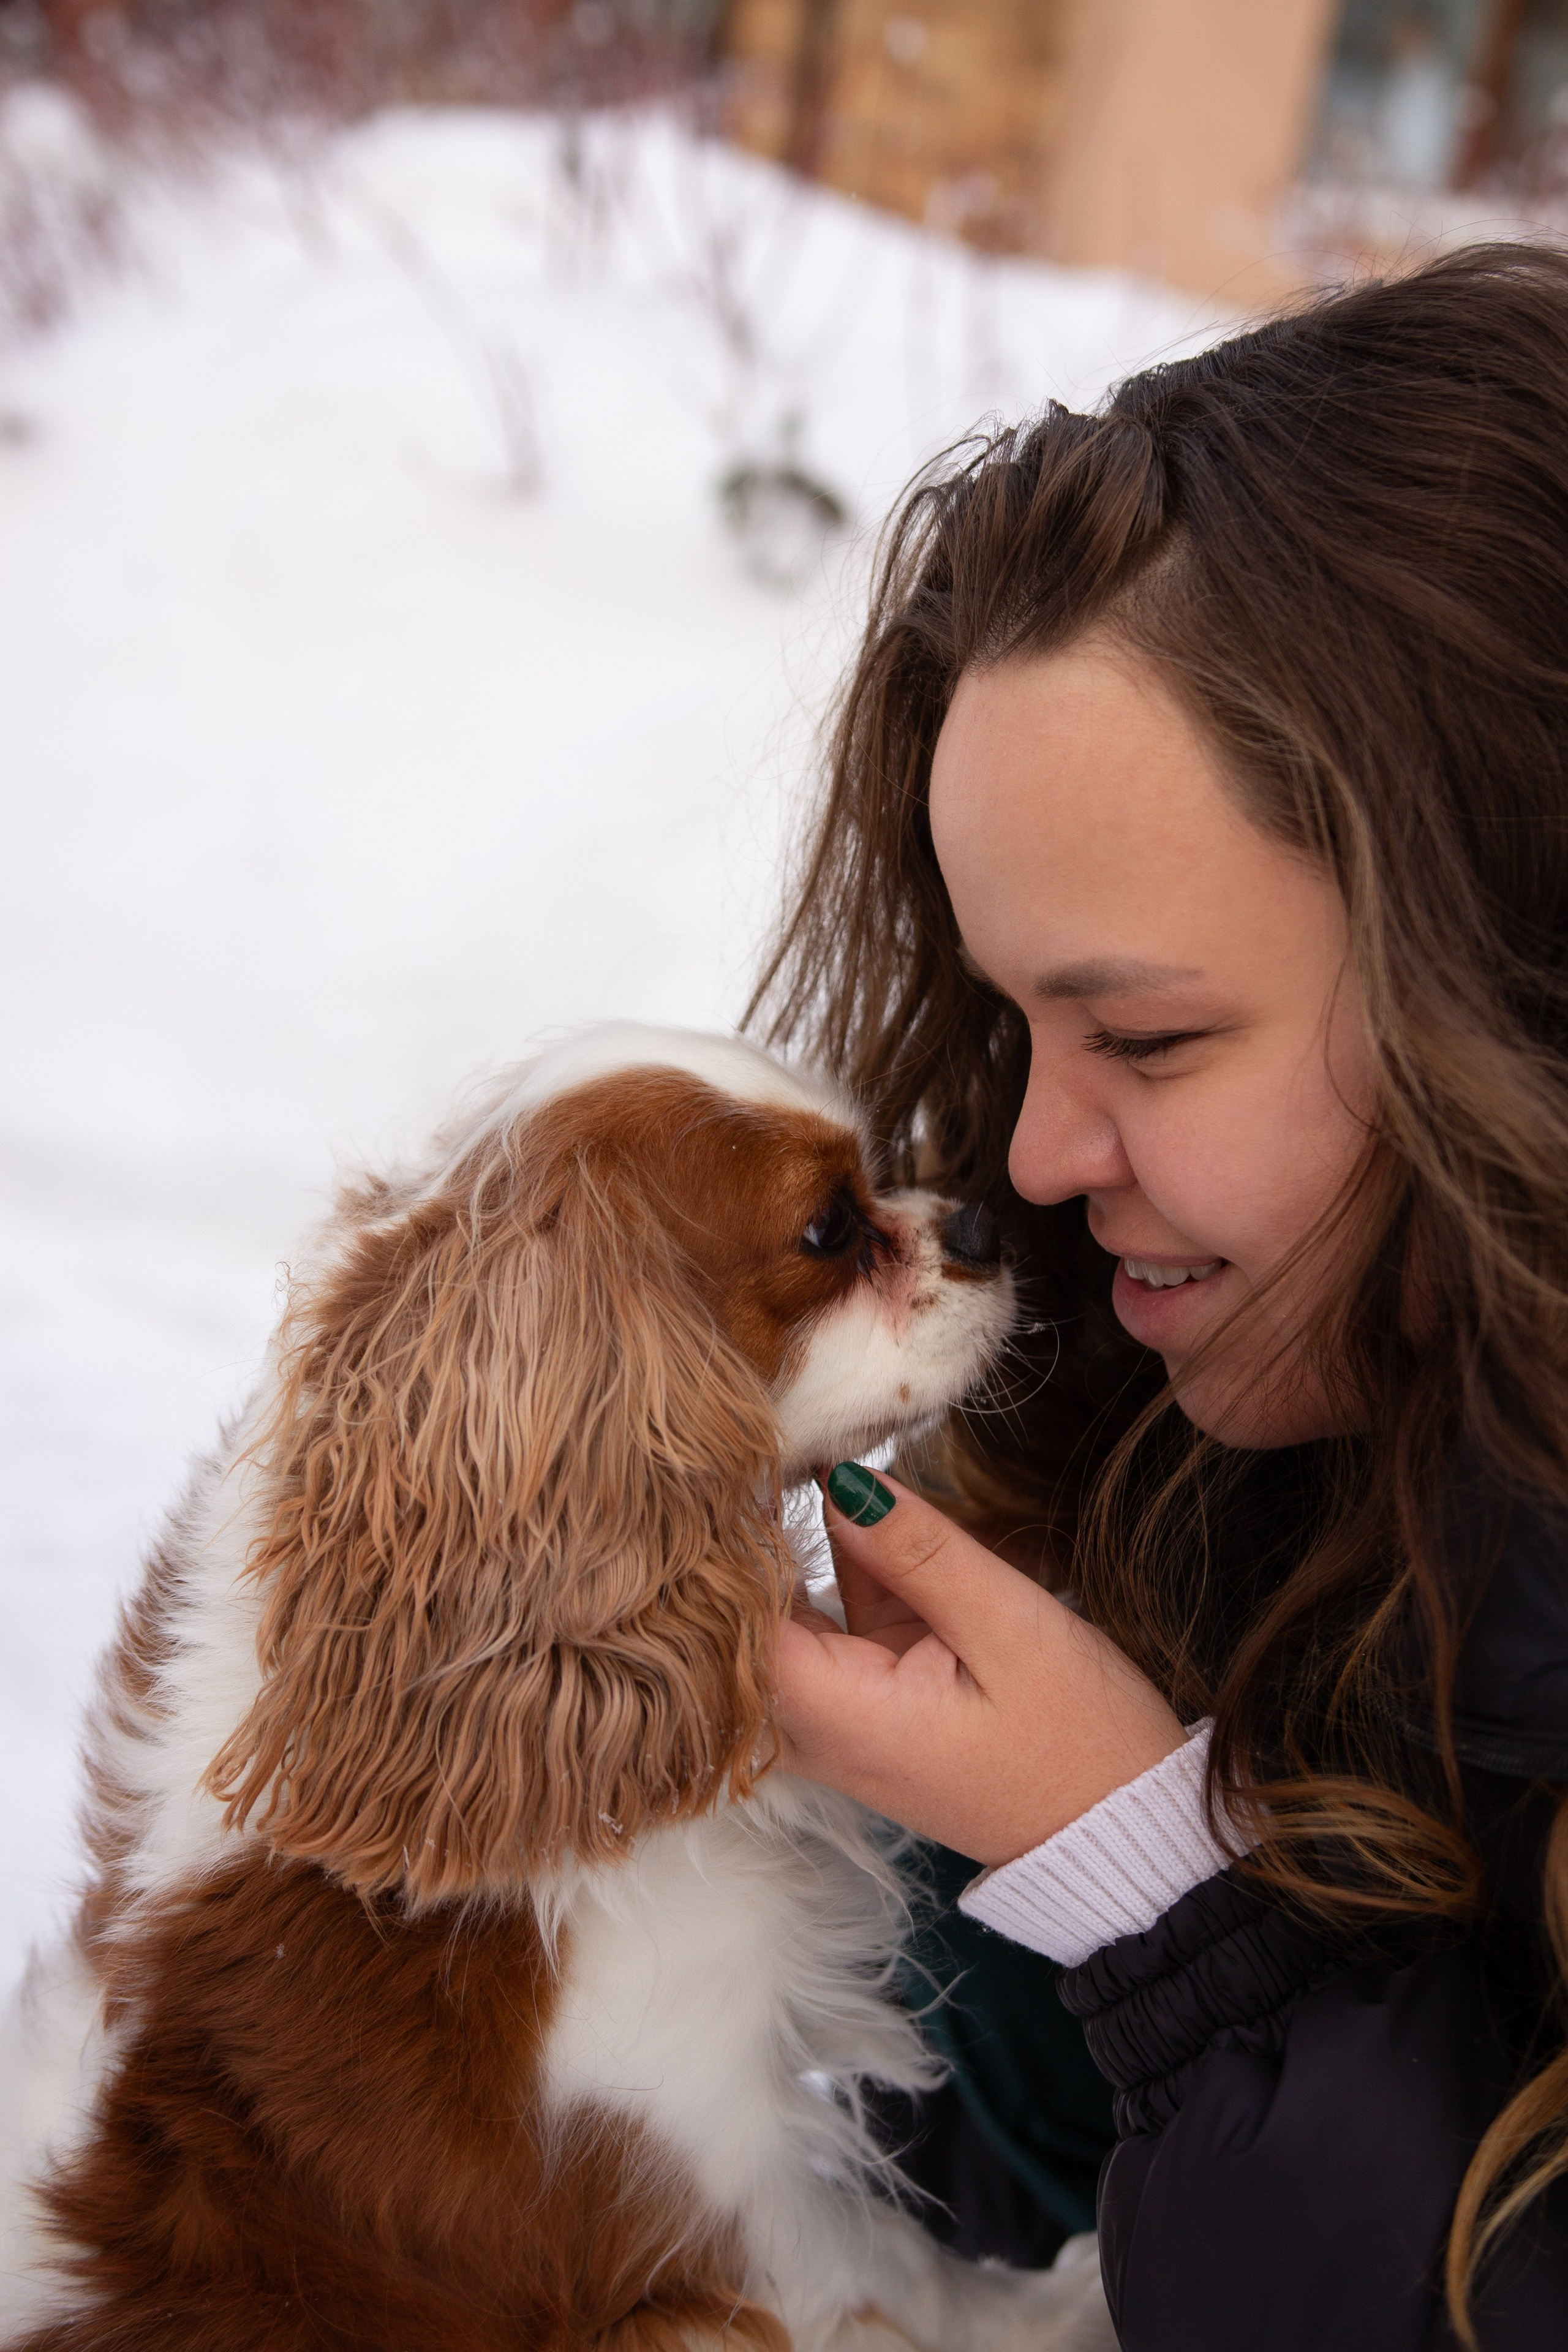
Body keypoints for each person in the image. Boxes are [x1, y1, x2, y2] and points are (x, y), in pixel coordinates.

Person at [755, 243, 1568, 2350]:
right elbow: (982, 2220)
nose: (1030, 1154)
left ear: (1512, 981)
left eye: (1156, 1040)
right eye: (1012, 1020)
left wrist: (1153, 1901)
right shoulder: (1216, 1462)